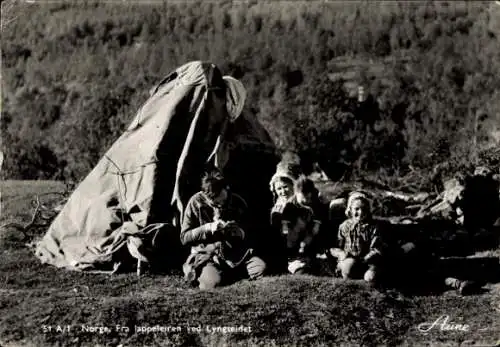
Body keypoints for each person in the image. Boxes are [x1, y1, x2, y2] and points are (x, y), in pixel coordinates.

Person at [180, 168, 266, 289]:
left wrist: (240, 233)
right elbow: (184, 237)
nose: (220, 206)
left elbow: (252, 233)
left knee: (260, 268)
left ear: (227, 188)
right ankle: (210, 274)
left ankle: (229, 273)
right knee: (211, 283)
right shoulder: (195, 203)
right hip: (207, 256)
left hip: (237, 255)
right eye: (215, 204)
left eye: (224, 201)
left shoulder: (238, 202)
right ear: (205, 196)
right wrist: (207, 228)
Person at [329, 192, 385, 284]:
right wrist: (342, 254)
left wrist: (365, 259)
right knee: (349, 266)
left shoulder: (373, 227)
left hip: (367, 262)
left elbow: (376, 249)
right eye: (357, 209)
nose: (360, 212)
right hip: (349, 259)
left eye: (364, 209)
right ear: (350, 209)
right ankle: (346, 274)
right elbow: (338, 246)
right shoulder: (344, 226)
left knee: (370, 277)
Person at [280, 177, 329, 274]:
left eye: (308, 197)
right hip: (294, 228)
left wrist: (316, 226)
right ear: (296, 193)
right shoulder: (290, 205)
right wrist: (286, 229)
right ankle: (294, 258)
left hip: (309, 228)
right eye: (303, 198)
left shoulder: (314, 202)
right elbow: (285, 220)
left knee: (310, 238)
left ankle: (312, 256)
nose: (306, 200)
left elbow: (318, 216)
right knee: (291, 240)